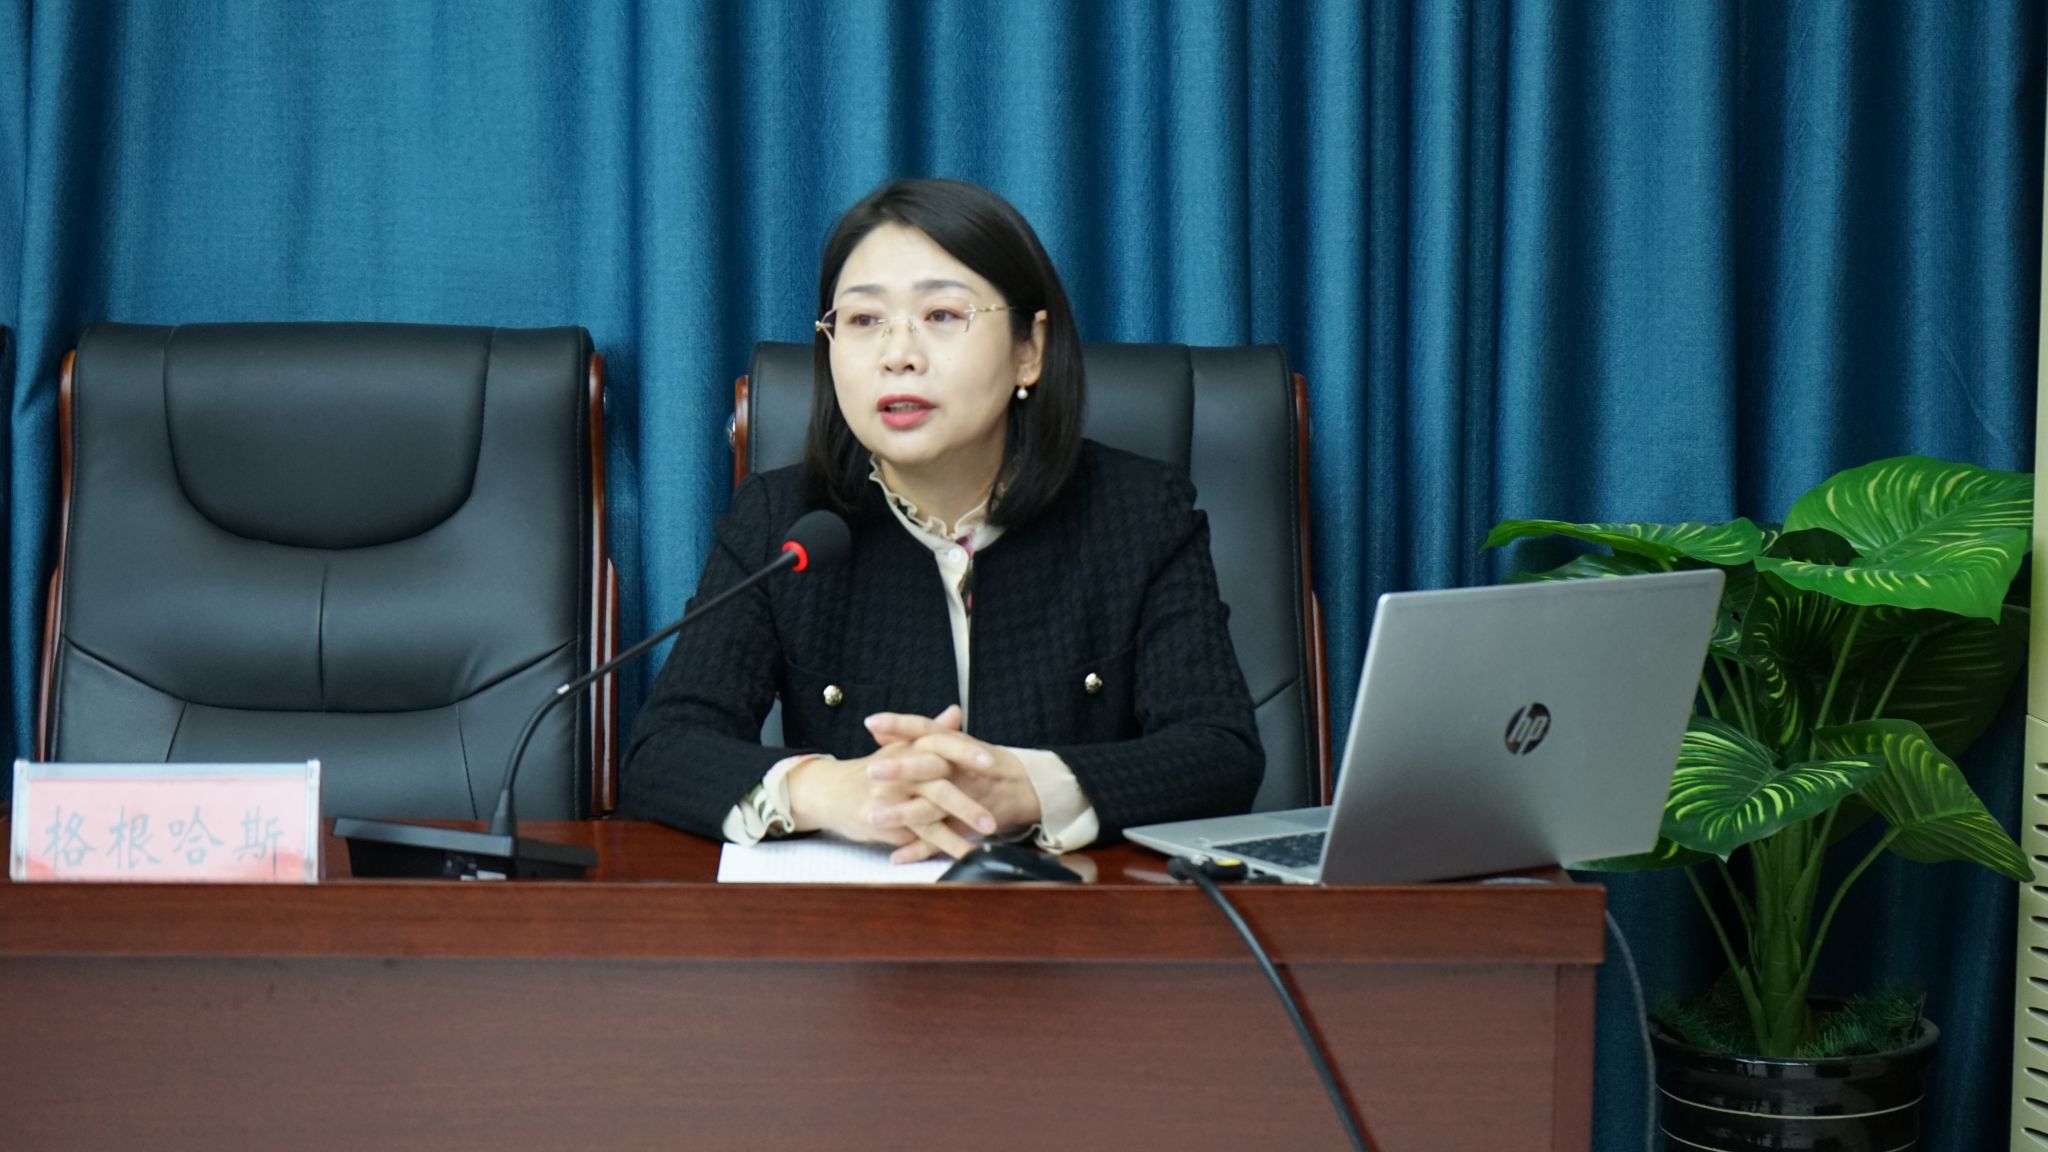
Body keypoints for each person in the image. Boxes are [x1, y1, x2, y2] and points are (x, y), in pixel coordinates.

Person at [622, 178, 1261, 863]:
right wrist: (831, 791)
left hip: (1075, 916)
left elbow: (1220, 752)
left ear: (1029, 349)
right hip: (856, 920)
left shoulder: (1137, 512)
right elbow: (663, 751)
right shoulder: (787, 521)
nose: (898, 353)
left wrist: (1031, 788)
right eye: (863, 321)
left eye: (942, 315)